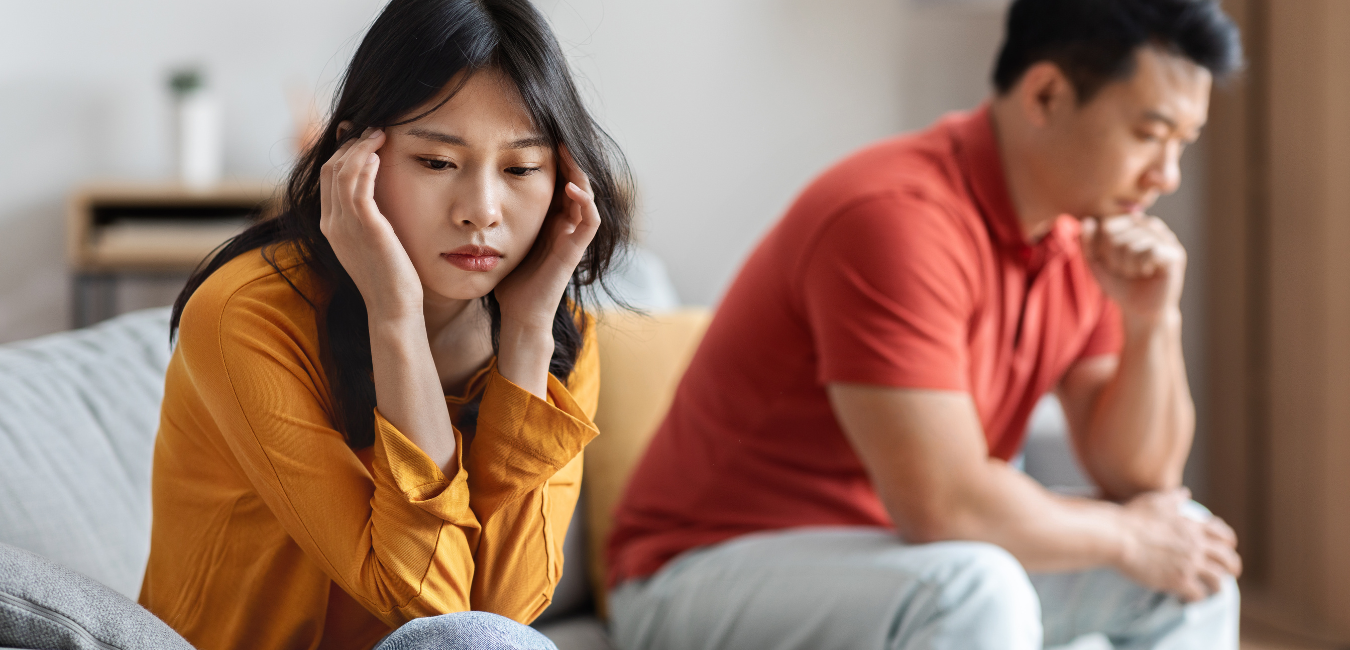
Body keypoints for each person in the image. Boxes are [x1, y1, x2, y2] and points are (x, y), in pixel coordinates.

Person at [607, 0, 1244, 648]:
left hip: (898, 560)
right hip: (696, 573)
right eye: (1148, 134)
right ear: (1047, 93)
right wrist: (1126, 536)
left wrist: (1153, 319)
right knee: (974, 586)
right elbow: (946, 504)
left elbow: (1141, 479)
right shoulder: (894, 218)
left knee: (1191, 564)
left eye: (1181, 145)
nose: (1166, 175)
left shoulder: (1081, 237)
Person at [137, 1, 633, 649]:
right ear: (354, 160)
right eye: (436, 162)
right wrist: (394, 314)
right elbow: (433, 609)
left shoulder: (555, 338)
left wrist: (526, 336)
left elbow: (506, 614)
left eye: (520, 169)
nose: (481, 211)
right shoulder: (244, 316)